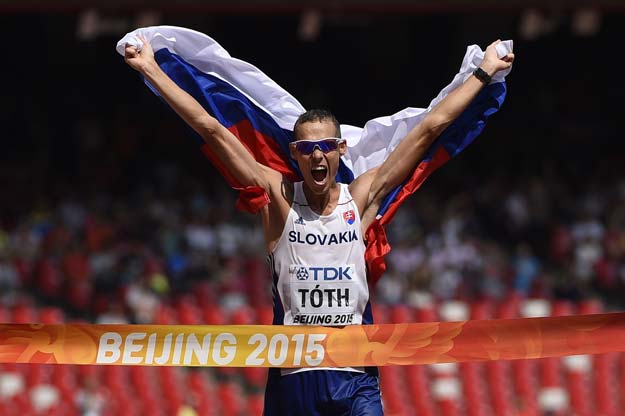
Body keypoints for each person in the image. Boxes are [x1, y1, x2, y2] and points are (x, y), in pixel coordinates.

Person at [123, 35, 513, 416]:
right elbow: (209, 127)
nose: (317, 156)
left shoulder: (360, 200)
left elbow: (428, 130)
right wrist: (152, 70)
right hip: (294, 378)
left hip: (355, 378)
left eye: (326, 146)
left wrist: (483, 72)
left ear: (340, 150)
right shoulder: (277, 200)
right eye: (307, 149)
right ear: (295, 155)